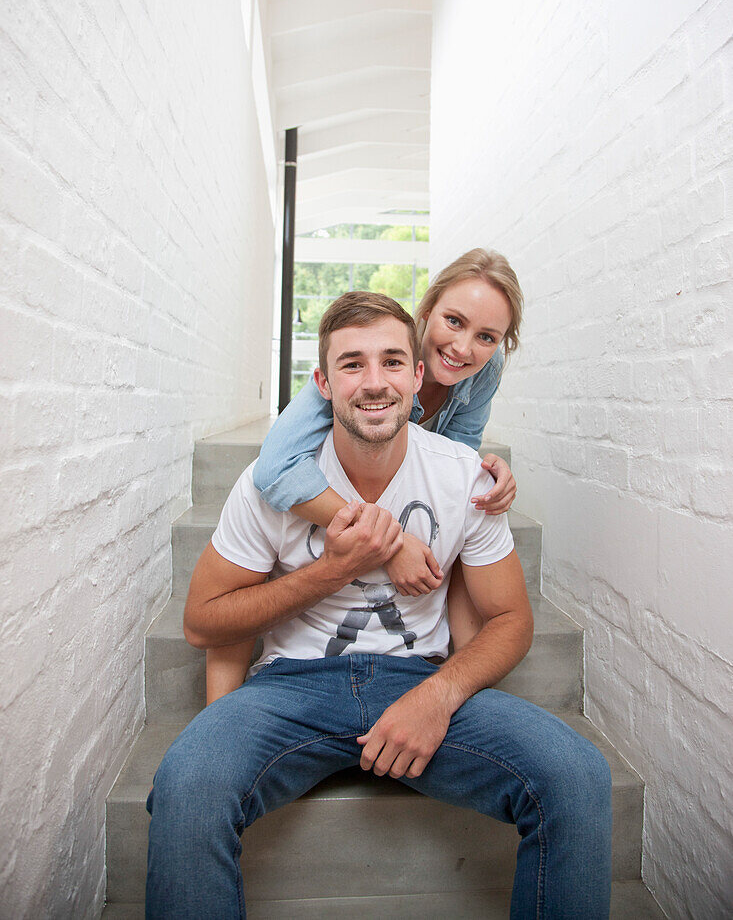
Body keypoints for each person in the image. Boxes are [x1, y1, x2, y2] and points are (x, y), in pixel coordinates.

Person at [146, 292, 612, 918]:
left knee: (577, 776)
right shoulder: (271, 482)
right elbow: (203, 621)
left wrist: (438, 696)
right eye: (351, 364)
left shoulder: (462, 476)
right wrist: (333, 569)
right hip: (291, 688)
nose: (374, 383)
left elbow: (511, 620)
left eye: (393, 361)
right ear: (321, 382)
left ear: (418, 376)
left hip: (418, 677)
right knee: (187, 783)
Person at [206, 248, 524, 704]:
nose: (464, 348)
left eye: (487, 336)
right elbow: (275, 469)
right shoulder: (364, 365)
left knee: (457, 546)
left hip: (406, 477)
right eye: (454, 322)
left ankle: (458, 691)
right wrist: (388, 541)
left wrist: (486, 477)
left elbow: (459, 458)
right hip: (360, 479)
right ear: (426, 312)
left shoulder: (484, 371)